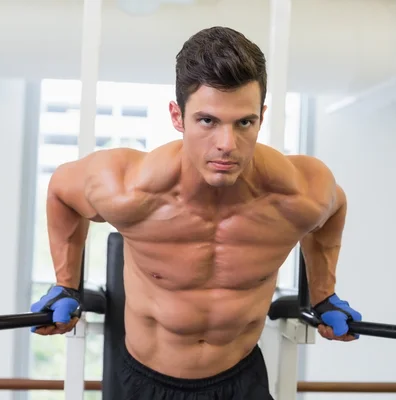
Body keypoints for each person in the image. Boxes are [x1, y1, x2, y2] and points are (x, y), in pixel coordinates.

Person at [31, 26, 362, 400]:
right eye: (207, 121)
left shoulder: (300, 192)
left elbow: (335, 208)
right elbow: (61, 190)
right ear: (177, 116)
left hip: (241, 381)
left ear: (261, 117)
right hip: (145, 384)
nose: (226, 145)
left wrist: (323, 295)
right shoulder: (128, 189)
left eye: (244, 123)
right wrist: (66, 285)